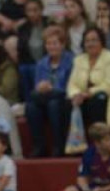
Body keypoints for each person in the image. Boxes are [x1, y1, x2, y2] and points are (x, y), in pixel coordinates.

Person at [25, 26, 74, 158]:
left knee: (54, 103)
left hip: (65, 99)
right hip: (45, 98)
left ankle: (59, 145)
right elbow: (37, 86)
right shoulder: (41, 63)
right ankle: (39, 146)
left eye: (54, 43)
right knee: (31, 107)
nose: (51, 47)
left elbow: (71, 87)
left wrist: (52, 88)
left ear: (63, 44)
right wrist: (40, 87)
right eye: (48, 43)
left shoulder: (72, 61)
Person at [67, 27, 110, 127]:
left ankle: (99, 137)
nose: (90, 44)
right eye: (87, 41)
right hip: (83, 98)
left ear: (102, 41)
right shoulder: (79, 60)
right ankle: (75, 141)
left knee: (98, 99)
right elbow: (72, 83)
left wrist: (89, 93)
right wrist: (76, 94)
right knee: (65, 104)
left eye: (94, 40)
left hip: (108, 98)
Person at [16, 0, 49, 102]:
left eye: (35, 10)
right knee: (24, 69)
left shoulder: (49, 25)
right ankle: (28, 104)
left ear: (41, 10)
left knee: (36, 69)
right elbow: (21, 50)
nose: (32, 14)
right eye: (29, 11)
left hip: (47, 62)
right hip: (29, 63)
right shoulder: (23, 28)